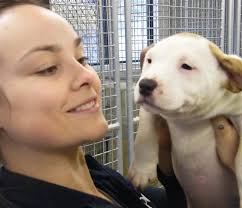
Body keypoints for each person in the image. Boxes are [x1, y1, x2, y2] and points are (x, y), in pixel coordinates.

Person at [0, 1, 239, 208]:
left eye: (82, 58)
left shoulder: (99, 178)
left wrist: (171, 174)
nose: (88, 76)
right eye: (47, 68)